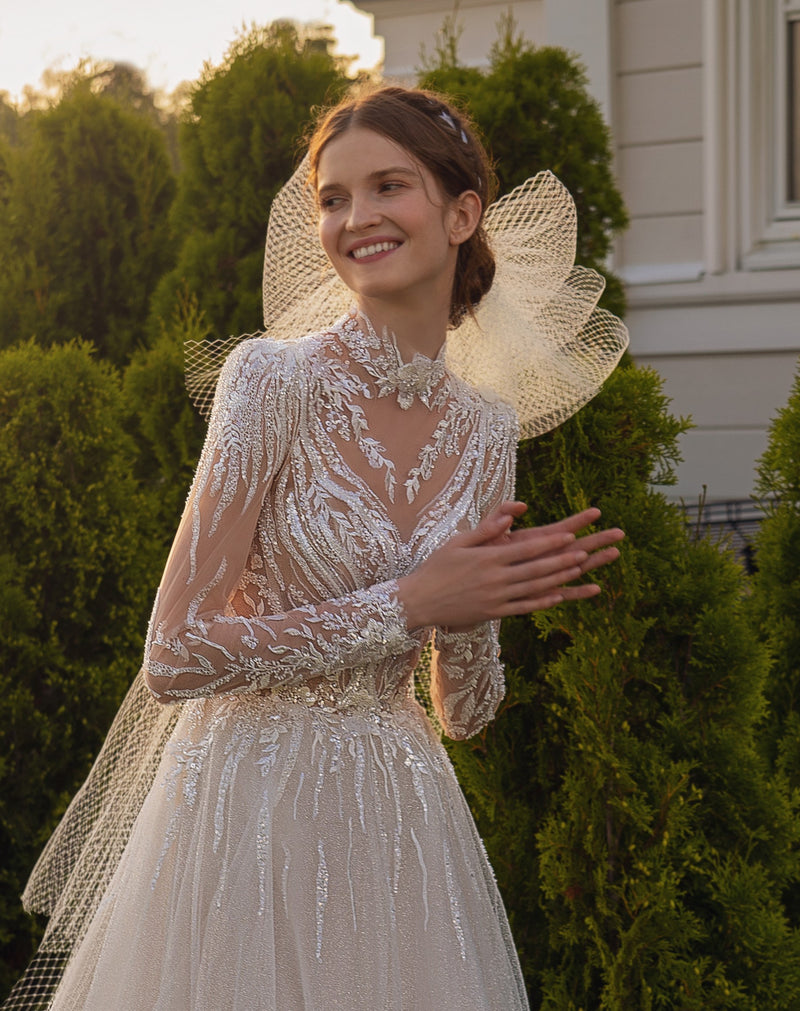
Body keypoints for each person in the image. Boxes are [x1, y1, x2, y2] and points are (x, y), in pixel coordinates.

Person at [6, 86, 627, 1010]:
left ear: (462, 214)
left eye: (389, 187)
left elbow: (464, 713)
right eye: (334, 198)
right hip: (243, 816)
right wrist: (411, 602)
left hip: (400, 827)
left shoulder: (487, 430)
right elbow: (175, 652)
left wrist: (483, 601)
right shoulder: (270, 383)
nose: (357, 218)